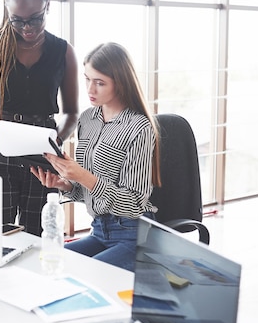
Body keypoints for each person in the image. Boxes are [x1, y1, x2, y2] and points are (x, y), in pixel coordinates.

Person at [0, 0, 79, 237]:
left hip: (42, 153)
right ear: (7, 11)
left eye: (35, 19)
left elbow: (72, 112)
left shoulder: (63, 50)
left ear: (48, 6)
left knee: (39, 235)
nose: (27, 28)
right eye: (17, 20)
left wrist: (56, 138)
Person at [31, 42, 161, 272]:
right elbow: (88, 192)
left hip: (133, 235)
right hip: (100, 230)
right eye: (87, 79)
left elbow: (134, 203)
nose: (90, 90)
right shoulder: (87, 119)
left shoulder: (139, 127)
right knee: (47, 261)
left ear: (121, 83)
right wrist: (67, 184)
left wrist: (83, 176)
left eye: (100, 83)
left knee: (85, 275)